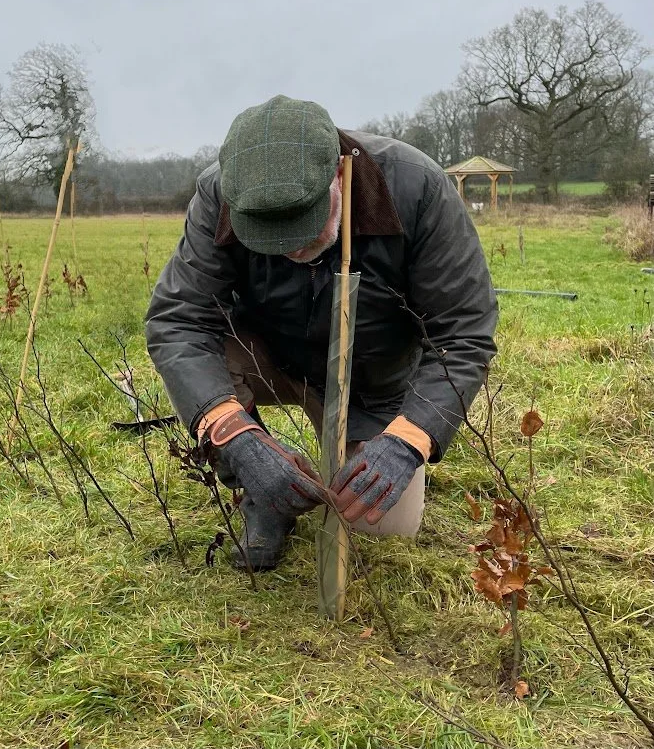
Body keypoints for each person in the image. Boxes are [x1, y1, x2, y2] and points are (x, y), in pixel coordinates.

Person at [145, 95, 497, 569]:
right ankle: (265, 496)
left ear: (337, 172)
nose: (292, 251)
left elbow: (464, 332)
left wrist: (409, 439)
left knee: (380, 524)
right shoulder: (221, 193)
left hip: (373, 383)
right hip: (272, 359)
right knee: (213, 374)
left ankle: (368, 447)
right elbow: (178, 320)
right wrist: (237, 440)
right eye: (272, 238)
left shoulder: (416, 187)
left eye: (306, 226)